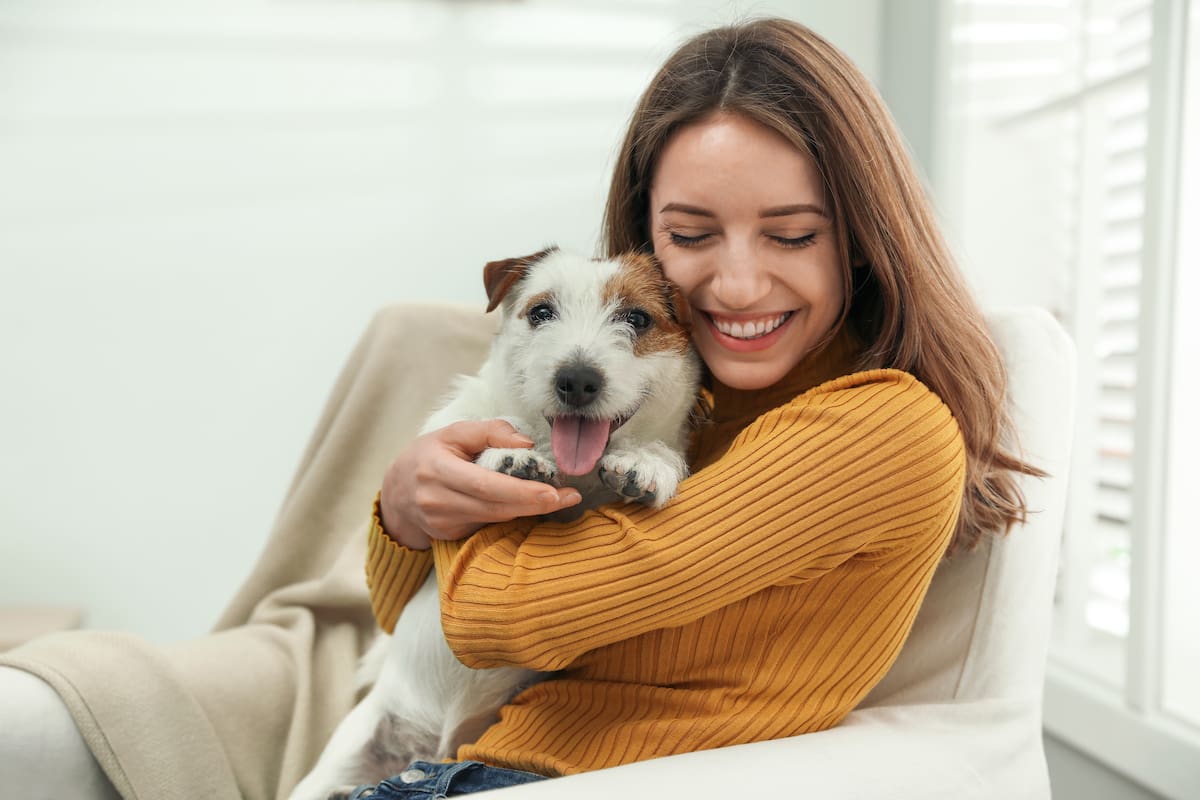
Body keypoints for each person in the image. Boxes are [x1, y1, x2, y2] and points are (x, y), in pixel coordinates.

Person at [0, 17, 1038, 800]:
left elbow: (504, 616)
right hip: (472, 753)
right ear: (645, 243)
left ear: (860, 237)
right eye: (691, 231)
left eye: (791, 233)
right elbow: (406, 601)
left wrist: (439, 508)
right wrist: (403, 509)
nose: (734, 282)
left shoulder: (878, 427)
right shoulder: (683, 393)